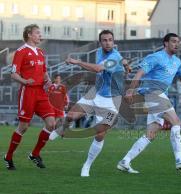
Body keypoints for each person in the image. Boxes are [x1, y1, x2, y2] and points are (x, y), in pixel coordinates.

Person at [117, 33, 181, 173]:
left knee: (151, 134)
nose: (176, 44)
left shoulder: (177, 62)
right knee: (176, 121)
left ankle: (125, 161)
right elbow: (140, 73)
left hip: (160, 95)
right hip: (153, 93)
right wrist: (131, 90)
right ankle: (179, 159)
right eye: (173, 41)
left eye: (178, 42)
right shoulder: (155, 57)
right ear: (165, 43)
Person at [49, 30, 128, 177]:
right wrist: (126, 63)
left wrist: (77, 62)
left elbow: (98, 68)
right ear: (100, 43)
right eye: (105, 40)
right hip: (95, 93)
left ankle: (87, 165)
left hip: (111, 101)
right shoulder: (100, 52)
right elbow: (121, 59)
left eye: (110, 40)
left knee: (100, 134)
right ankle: (62, 129)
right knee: (71, 116)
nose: (108, 42)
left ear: (113, 41)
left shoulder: (114, 56)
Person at [4, 24, 56, 170]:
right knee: (24, 127)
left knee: (51, 123)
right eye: (38, 33)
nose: (40, 35)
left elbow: (44, 71)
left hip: (41, 93)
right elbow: (13, 74)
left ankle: (34, 154)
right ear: (29, 34)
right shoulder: (21, 51)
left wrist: (48, 79)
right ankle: (8, 157)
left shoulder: (40, 52)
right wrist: (25, 81)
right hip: (28, 92)